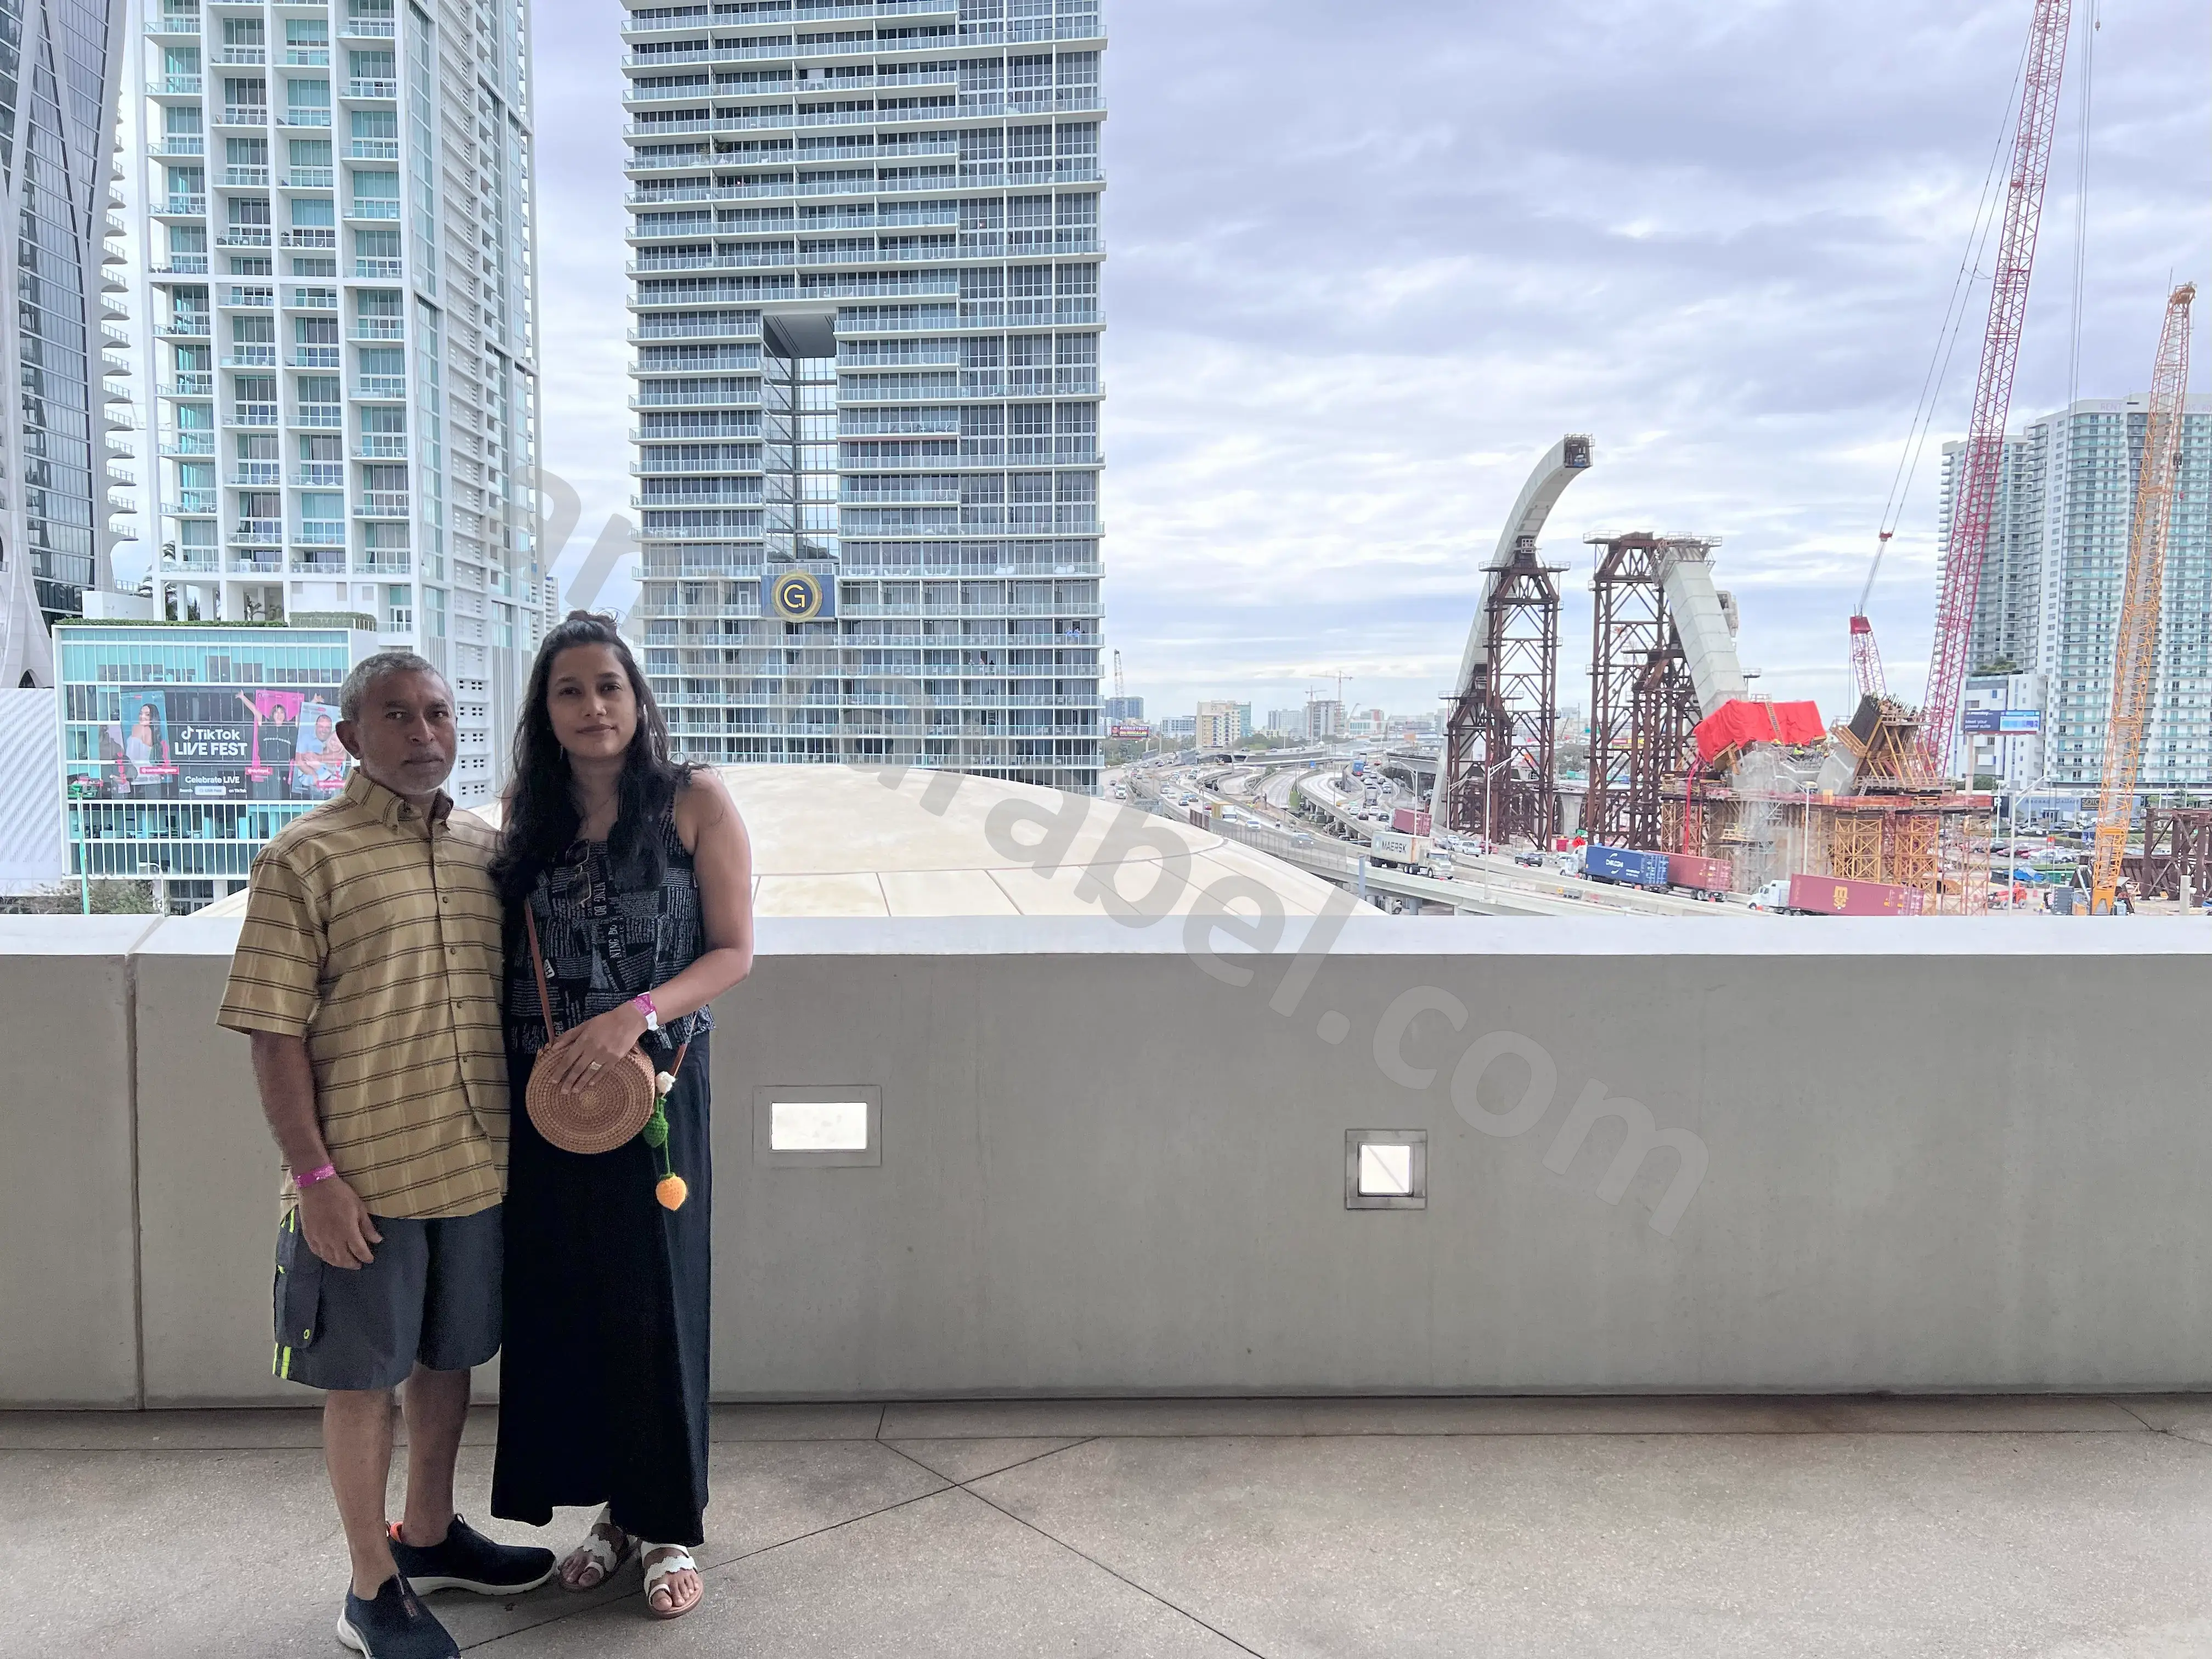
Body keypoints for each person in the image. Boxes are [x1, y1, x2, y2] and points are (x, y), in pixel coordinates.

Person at [218, 650, 556, 1659]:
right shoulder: (303, 857)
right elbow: (272, 1032)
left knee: (450, 1360)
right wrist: (316, 1179)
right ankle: (371, 1586)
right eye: (397, 716)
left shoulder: (484, 852)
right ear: (350, 737)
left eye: (438, 713)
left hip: (475, 1166)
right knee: (362, 1382)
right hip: (363, 1179)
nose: (423, 733)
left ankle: (430, 1534)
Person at [488, 612, 754, 1623]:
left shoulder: (693, 800)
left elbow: (733, 951)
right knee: (572, 1303)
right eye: (570, 690)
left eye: (609, 686)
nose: (593, 706)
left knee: (658, 1303)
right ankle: (611, 1512)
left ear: (637, 699)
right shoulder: (528, 813)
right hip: (548, 1098)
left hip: (658, 1090)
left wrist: (633, 1015)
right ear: (545, 710)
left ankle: (666, 1521)